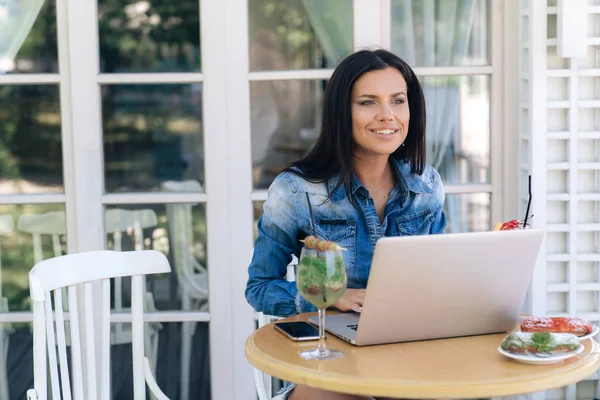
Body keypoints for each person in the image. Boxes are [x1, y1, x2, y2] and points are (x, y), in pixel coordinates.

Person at [245, 49, 447, 400]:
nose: (388, 115)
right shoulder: (296, 190)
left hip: (408, 355)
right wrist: (329, 299)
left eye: (398, 101)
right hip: (327, 364)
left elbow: (442, 280)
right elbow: (260, 287)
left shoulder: (425, 185)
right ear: (342, 112)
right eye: (368, 102)